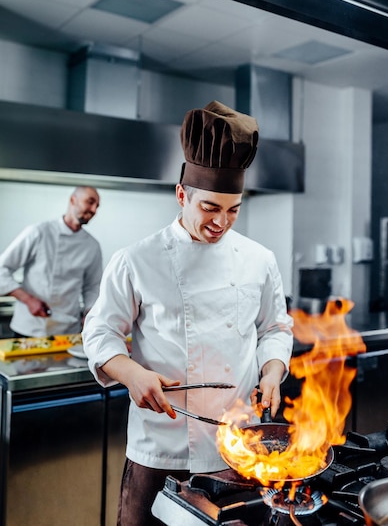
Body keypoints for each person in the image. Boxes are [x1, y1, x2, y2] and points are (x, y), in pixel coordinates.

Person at [82, 101, 294, 526]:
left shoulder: (259, 259)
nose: (222, 222)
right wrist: (132, 375)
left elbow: (274, 328)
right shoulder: (136, 259)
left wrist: (272, 372)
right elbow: (100, 333)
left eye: (233, 210)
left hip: (235, 445)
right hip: (158, 448)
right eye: (210, 209)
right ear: (182, 195)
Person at [0, 186, 102, 337]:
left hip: (68, 331)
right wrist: (27, 299)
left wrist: (89, 313)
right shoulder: (39, 232)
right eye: (90, 202)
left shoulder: (92, 246)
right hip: (29, 328)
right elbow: (2, 269)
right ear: (73, 200)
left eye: (97, 206)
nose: (94, 210)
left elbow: (92, 287)